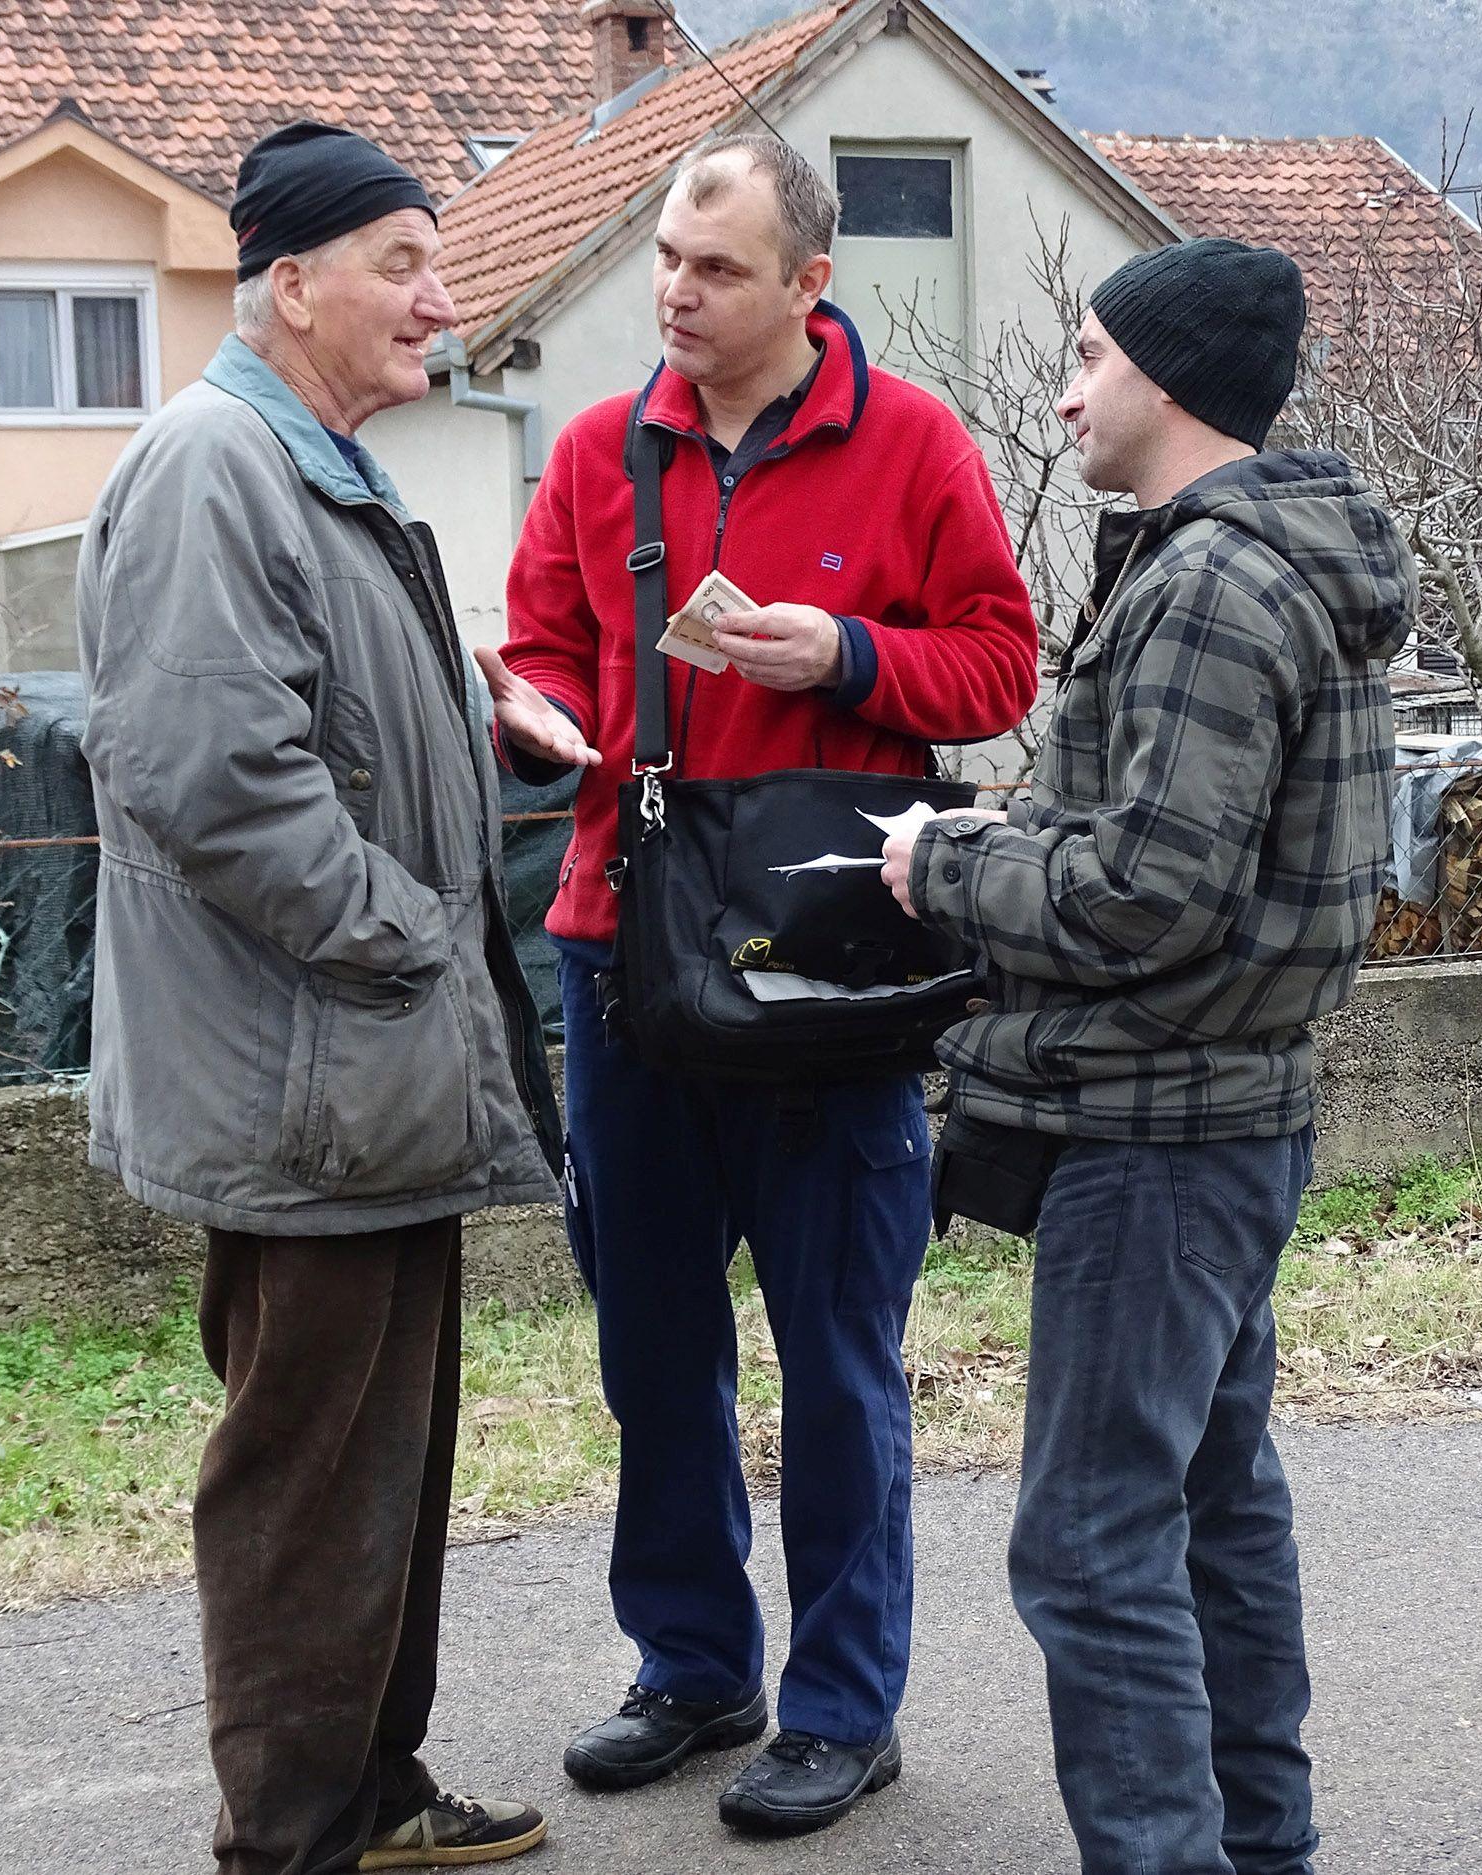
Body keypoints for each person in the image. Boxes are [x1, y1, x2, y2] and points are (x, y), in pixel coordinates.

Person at [481, 131, 1038, 1837]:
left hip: (826, 966)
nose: (674, 291)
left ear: (809, 283)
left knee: (838, 1354)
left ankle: (843, 1706)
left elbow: (1003, 661)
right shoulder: (595, 450)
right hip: (622, 950)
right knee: (652, 1346)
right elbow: (545, 645)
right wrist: (536, 710)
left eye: (714, 268)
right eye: (664, 256)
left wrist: (850, 658)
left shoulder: (915, 442)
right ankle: (694, 1665)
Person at [882, 238, 1417, 1875]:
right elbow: (1187, 854)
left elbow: (1146, 891)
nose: (1064, 390)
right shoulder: (1279, 562)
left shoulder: (1206, 581)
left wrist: (940, 866)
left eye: (1092, 359)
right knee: (1214, 1509)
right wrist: (1014, 830)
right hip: (1227, 1112)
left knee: (1093, 1544)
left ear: (1168, 383)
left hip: (1160, 1132)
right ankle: (1261, 1851)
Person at [75, 121, 567, 1875]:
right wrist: (409, 939)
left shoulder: (316, 467)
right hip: (313, 1070)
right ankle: (288, 1837)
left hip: (362, 1074)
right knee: (306, 1481)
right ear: (293, 284)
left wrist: (470, 704)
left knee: (380, 1468)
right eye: (403, 266)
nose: (440, 301)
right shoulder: (221, 463)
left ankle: (369, 1795)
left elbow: (314, 718)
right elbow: (215, 775)